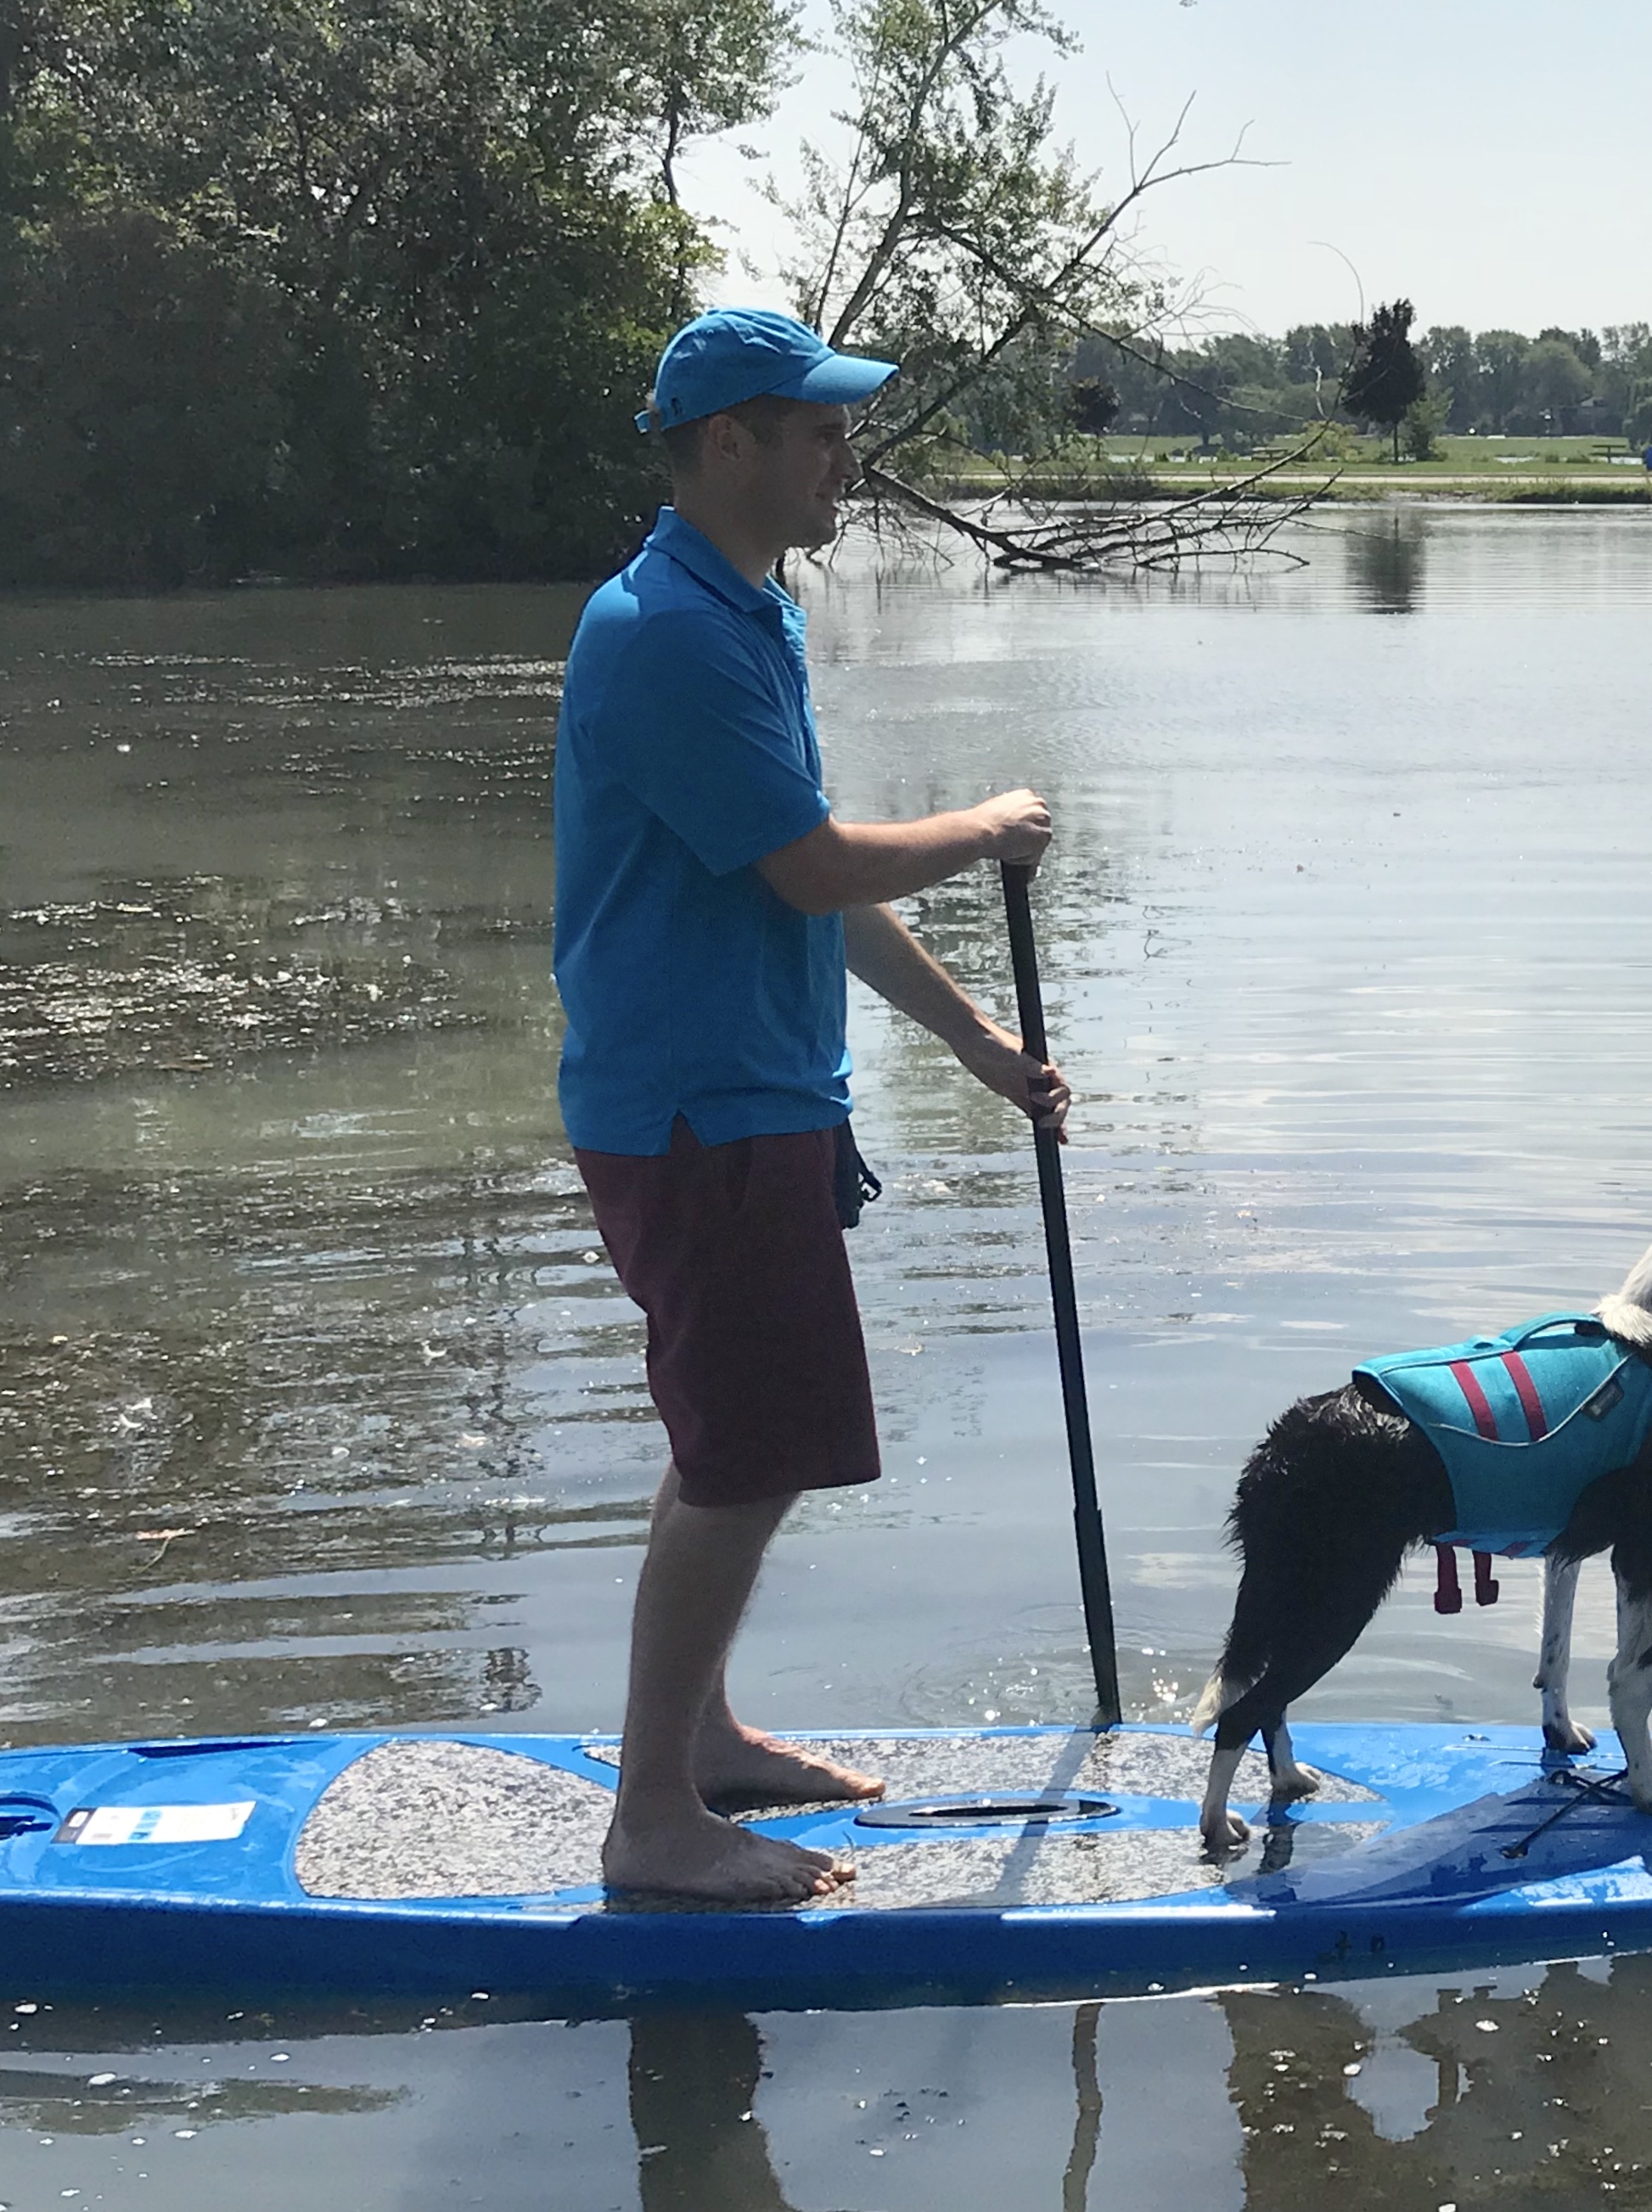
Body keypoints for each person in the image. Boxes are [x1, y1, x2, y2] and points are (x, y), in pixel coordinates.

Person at [555, 307, 1069, 1904]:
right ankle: (653, 1822)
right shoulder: (671, 633)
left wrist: (976, 1039)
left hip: (750, 1095)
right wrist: (982, 825)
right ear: (731, 446)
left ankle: (699, 1743)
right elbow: (812, 863)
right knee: (745, 1454)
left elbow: (806, 883)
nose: (849, 458)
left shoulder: (744, 613)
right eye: (822, 432)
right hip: (697, 1109)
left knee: (734, 1444)